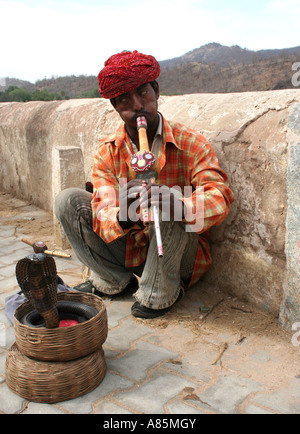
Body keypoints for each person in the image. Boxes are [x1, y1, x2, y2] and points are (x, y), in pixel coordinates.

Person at [55, 50, 234, 319]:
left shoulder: (190, 142)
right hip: (130, 247)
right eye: (125, 100)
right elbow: (102, 216)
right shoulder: (107, 152)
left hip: (176, 252)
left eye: (143, 94)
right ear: (115, 106)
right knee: (68, 200)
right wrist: (122, 216)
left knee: (169, 199)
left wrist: (182, 205)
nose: (137, 106)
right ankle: (114, 280)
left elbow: (219, 195)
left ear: (156, 91)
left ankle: (159, 293)